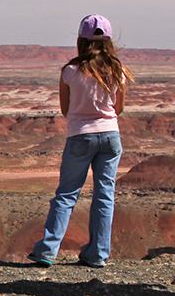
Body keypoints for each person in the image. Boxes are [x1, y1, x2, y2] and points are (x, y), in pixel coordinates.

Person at [29, 15, 134, 268]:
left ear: (80, 41)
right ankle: (97, 254)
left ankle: (48, 250)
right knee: (104, 196)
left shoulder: (70, 71)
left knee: (66, 194)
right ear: (107, 41)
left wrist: (83, 118)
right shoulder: (117, 70)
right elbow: (118, 108)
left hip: (79, 136)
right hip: (110, 136)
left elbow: (66, 110)